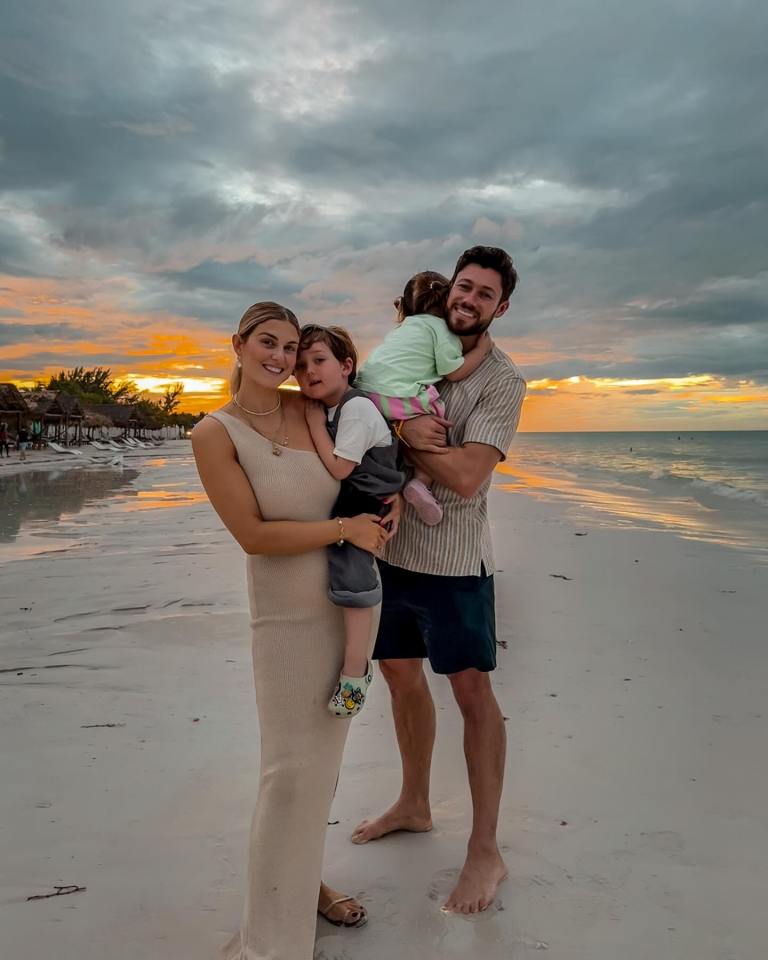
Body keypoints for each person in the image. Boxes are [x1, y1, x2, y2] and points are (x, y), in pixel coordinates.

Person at [191, 302, 400, 959]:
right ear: (239, 345)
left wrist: (383, 511)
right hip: (284, 621)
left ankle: (305, 885)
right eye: (268, 343)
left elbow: (359, 480)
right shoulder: (214, 433)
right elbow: (254, 534)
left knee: (322, 771)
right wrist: (346, 529)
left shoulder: (310, 410)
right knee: (289, 775)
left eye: (290, 346)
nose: (281, 357)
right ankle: (270, 942)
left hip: (349, 610)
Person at [351, 246, 527, 916]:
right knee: (397, 674)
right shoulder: (414, 345)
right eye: (464, 287)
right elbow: (365, 404)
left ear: (500, 308)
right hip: (392, 551)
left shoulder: (500, 380)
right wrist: (400, 422)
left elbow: (468, 475)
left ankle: (486, 851)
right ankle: (415, 802)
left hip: (454, 563)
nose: (469, 300)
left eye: (484, 294)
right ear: (446, 292)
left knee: (471, 691)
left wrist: (414, 437)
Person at [295, 324, 404, 718]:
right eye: (301, 366)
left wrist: (312, 427)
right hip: (362, 492)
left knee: (352, 574)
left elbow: (341, 468)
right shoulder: (332, 407)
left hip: (365, 496)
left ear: (346, 365)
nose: (309, 371)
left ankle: (356, 673)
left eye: (319, 360)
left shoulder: (354, 408)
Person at [356, 271, 492, 525]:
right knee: (435, 413)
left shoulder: (404, 327)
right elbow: (454, 372)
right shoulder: (441, 329)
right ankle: (421, 482)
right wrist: (482, 351)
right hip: (394, 396)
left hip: (364, 390)